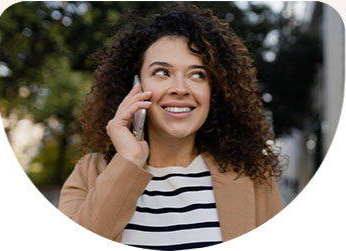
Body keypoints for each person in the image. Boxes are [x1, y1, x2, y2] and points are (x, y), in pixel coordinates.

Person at [59, 4, 285, 250]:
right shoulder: (90, 171)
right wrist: (129, 160)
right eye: (162, 72)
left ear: (215, 90)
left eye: (197, 75)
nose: (180, 88)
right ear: (135, 86)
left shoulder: (253, 178)